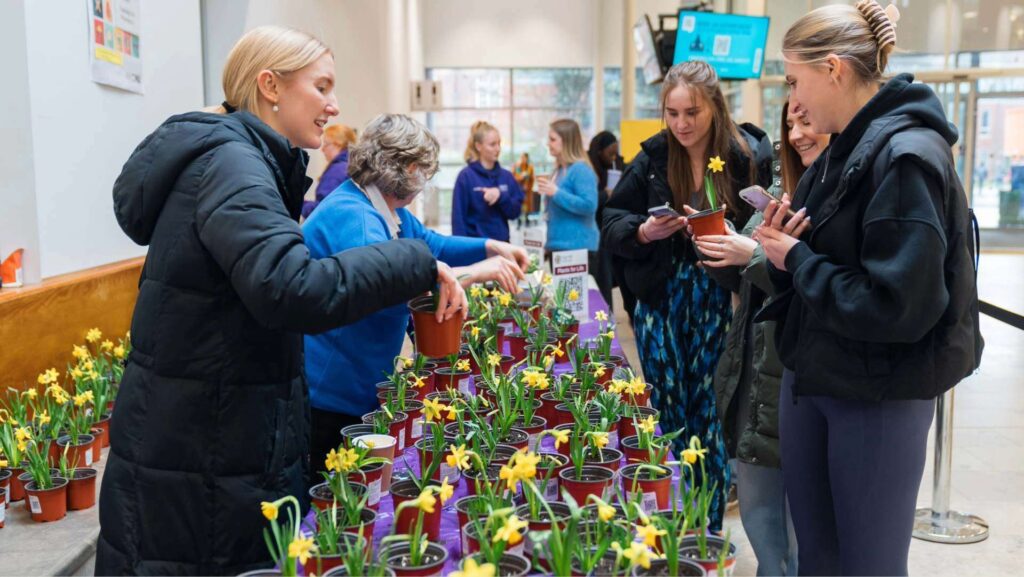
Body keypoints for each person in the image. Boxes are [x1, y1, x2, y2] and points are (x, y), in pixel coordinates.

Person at [100, 26, 466, 575]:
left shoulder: (242, 161)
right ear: (270, 86)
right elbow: (290, 287)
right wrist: (414, 260)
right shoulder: (231, 164)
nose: (334, 105)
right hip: (206, 448)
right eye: (321, 87)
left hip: (211, 432)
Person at [755, 2, 982, 574]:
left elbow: (898, 304)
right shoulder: (842, 152)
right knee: (821, 559)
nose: (794, 102)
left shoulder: (906, 158)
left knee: (869, 564)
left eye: (794, 80)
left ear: (833, 68)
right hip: (820, 377)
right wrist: (786, 250)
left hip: (876, 395)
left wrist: (798, 258)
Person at [602, 61, 772, 531]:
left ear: (715, 107)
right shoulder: (654, 158)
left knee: (711, 411)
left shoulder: (745, 156)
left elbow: (771, 221)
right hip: (661, 299)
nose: (681, 124)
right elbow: (612, 223)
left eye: (692, 112)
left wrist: (741, 243)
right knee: (669, 408)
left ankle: (709, 527)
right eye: (672, 113)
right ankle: (676, 524)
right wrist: (644, 230)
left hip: (719, 298)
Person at [303, 114, 529, 466]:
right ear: (404, 168)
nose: (424, 179)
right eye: (421, 169)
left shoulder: (386, 209)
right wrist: (473, 274)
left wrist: (490, 246)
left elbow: (430, 245)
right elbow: (387, 291)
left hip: (359, 381)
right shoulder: (356, 217)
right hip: (332, 393)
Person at [694, 100, 828, 576]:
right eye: (791, 123)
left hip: (792, 374)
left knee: (795, 530)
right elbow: (752, 279)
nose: (796, 133)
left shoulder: (834, 194)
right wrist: (728, 247)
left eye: (807, 119)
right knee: (759, 513)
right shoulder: (779, 187)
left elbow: (816, 287)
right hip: (755, 367)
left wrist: (751, 253)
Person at [537, 119, 600, 273]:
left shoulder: (580, 170)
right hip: (559, 247)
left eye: (552, 139)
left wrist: (556, 193)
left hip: (578, 249)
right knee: (562, 296)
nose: (548, 143)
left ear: (566, 141)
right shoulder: (558, 171)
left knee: (573, 297)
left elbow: (589, 205)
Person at [451, 121, 524, 242]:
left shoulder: (507, 177)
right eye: (492, 144)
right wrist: (461, 252)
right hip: (475, 249)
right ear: (479, 146)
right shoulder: (465, 177)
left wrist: (501, 196)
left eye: (499, 144)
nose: (498, 149)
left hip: (502, 247)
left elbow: (515, 213)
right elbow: (458, 219)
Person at [588, 130, 624, 311]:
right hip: (594, 231)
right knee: (600, 279)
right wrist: (605, 195)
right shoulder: (589, 168)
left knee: (608, 277)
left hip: (610, 229)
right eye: (610, 153)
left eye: (615, 153)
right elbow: (588, 202)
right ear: (599, 151)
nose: (613, 157)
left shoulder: (617, 164)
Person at [302, 123, 356, 218]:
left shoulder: (337, 171)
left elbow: (323, 210)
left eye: (326, 144)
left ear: (338, 144)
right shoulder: (352, 166)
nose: (322, 149)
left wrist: (301, 203)